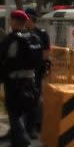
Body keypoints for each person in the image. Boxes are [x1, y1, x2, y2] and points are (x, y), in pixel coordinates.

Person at [0, 11, 43, 147]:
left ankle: (23, 146)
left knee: (14, 114)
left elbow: (4, 60)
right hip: (31, 81)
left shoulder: (11, 39)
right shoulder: (35, 38)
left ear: (14, 21)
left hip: (14, 82)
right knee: (25, 111)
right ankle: (14, 144)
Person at [24, 9, 50, 137]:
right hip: (23, 72)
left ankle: (35, 124)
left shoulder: (41, 34)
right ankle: (26, 126)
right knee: (24, 99)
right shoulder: (21, 34)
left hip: (36, 71)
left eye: (26, 18)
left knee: (35, 98)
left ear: (31, 19)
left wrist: (43, 69)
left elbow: (45, 54)